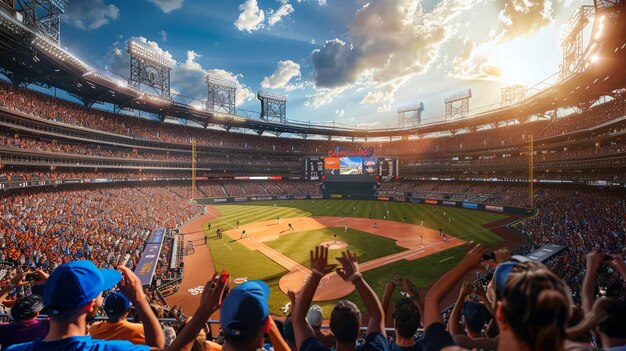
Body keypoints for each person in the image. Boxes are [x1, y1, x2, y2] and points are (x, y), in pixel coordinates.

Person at [5, 260, 165, 351]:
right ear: (90, 305)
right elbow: (158, 346)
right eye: (101, 291)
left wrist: (55, 286)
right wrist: (140, 300)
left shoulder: (13, 350)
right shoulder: (113, 349)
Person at [288, 246, 387, 351]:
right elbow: (377, 315)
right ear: (359, 329)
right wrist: (356, 277)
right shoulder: (376, 349)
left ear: (331, 329)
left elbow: (298, 319)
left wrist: (316, 275)